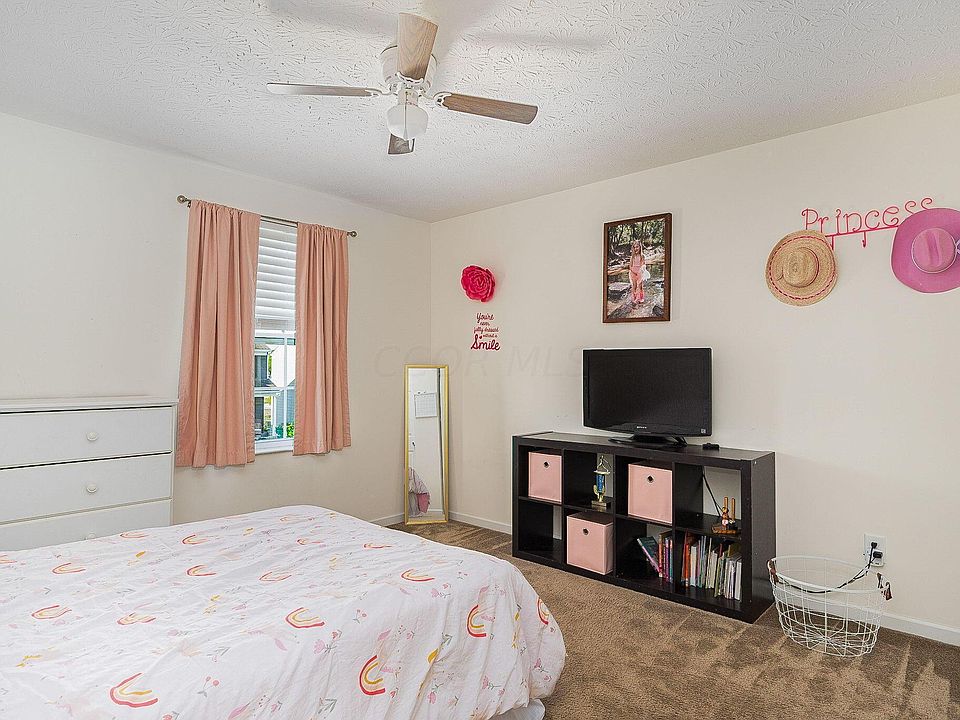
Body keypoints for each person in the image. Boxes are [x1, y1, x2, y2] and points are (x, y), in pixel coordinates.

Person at [629, 239, 649, 304]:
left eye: (637, 247)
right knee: (634, 286)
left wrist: (641, 270)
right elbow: (630, 266)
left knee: (640, 286)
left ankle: (640, 298)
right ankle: (634, 298)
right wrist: (633, 271)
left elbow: (643, 264)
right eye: (634, 247)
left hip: (640, 273)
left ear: (640, 247)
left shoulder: (642, 256)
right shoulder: (632, 256)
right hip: (633, 273)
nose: (636, 248)